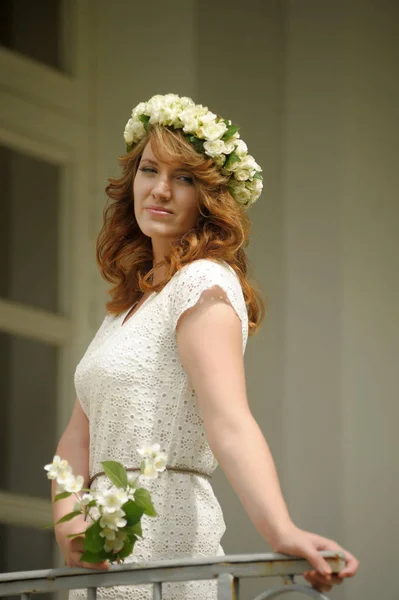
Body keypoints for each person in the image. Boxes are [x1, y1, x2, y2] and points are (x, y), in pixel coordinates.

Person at [52, 94, 359, 599]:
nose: (162, 190)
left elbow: (229, 420)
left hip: (165, 528)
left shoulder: (203, 284)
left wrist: (280, 531)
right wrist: (70, 526)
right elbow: (76, 439)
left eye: (186, 178)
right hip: (100, 552)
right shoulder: (124, 310)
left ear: (209, 197)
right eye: (150, 170)